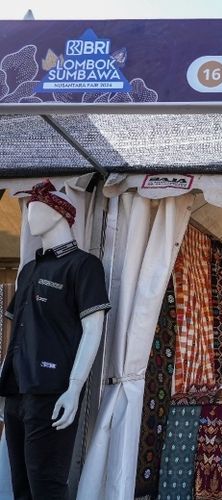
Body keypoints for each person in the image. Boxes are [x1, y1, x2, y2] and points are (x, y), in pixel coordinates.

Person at [0, 180, 111, 499]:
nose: (29, 215)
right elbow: (18, 329)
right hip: (17, 390)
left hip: (52, 391)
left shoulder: (84, 266)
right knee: (21, 485)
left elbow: (93, 329)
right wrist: (4, 375)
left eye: (36, 208)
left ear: (59, 214)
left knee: (46, 484)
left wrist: (74, 388)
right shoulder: (29, 269)